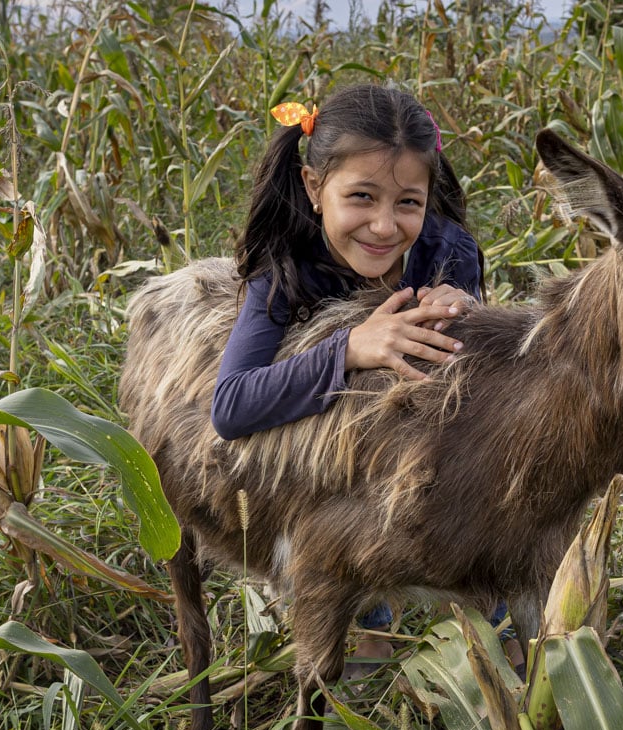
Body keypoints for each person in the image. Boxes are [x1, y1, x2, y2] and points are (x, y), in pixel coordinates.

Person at [211, 83, 505, 676]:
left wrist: (467, 317)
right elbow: (232, 405)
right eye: (362, 197)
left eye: (407, 203)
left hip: (423, 445)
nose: (383, 226)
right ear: (315, 188)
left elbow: (464, 377)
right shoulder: (285, 269)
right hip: (337, 452)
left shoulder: (451, 250)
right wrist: (350, 347)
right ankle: (372, 619)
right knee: (348, 488)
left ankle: (494, 614)